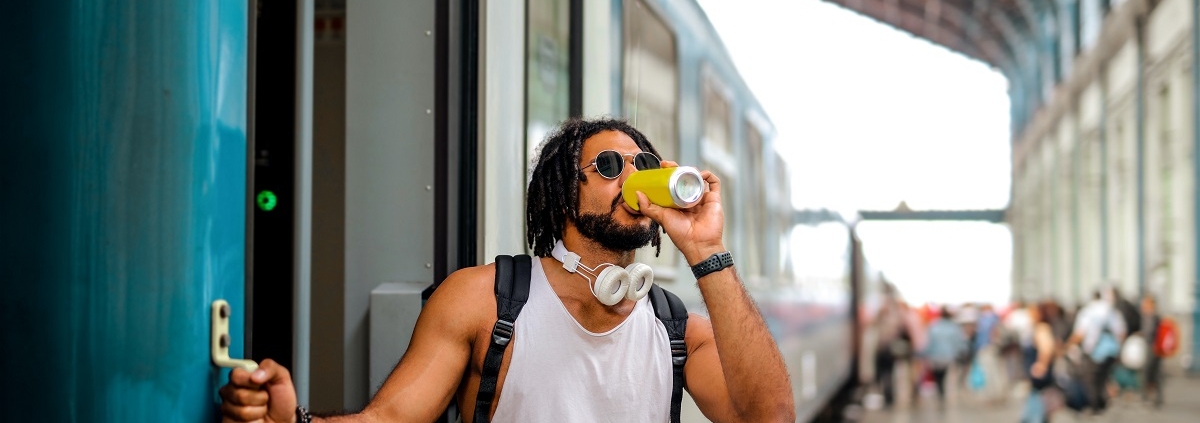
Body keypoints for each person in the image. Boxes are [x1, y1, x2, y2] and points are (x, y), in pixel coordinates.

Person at [217, 117, 796, 423]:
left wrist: (705, 251)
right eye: (611, 165)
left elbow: (771, 417)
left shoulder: (674, 330)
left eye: (644, 164)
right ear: (564, 193)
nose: (634, 177)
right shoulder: (484, 300)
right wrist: (291, 421)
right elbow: (388, 419)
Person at [1066, 289, 1126, 414]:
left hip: (1093, 350)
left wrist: (1068, 345)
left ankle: (1095, 405)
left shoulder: (1088, 311)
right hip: (1111, 350)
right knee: (1104, 377)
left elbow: (1080, 333)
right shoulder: (1111, 310)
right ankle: (1102, 401)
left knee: (1091, 378)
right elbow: (1121, 332)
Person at [920, 307, 967, 407]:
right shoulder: (954, 327)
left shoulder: (934, 326)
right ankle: (942, 392)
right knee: (944, 376)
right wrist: (962, 351)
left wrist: (925, 353)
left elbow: (929, 343)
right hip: (948, 357)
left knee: (938, 376)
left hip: (935, 356)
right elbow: (958, 342)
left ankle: (940, 392)